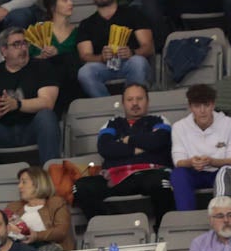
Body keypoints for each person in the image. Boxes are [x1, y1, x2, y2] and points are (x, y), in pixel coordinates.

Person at [0, 28, 61, 180]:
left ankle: (53, 179)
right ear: (4, 50)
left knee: (46, 116)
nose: (23, 48)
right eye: (16, 44)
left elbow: (47, 103)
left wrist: (17, 104)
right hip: (2, 131)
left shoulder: (42, 67)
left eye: (24, 43)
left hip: (31, 128)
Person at [74, 82, 174, 222]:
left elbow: (158, 140)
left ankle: (162, 228)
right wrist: (137, 149)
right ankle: (105, 225)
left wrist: (127, 140)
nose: (135, 103)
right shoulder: (112, 124)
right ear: (123, 103)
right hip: (115, 176)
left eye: (139, 99)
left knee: (162, 182)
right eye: (130, 99)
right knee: (79, 187)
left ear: (147, 101)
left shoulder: (159, 120)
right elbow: (105, 148)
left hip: (149, 173)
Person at [75, 0, 155, 99]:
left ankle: (131, 101)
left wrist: (132, 52)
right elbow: (85, 56)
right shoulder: (86, 24)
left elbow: (148, 47)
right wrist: (101, 57)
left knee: (138, 62)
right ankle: (107, 105)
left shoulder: (134, 14)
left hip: (129, 62)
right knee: (85, 72)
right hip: (103, 66)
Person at [170, 85, 231, 212]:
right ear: (190, 107)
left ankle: (224, 214)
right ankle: (187, 217)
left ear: (213, 105)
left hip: (219, 171)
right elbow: (178, 161)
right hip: (193, 173)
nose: (202, 111)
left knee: (229, 172)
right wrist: (191, 162)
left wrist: (212, 161)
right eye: (197, 106)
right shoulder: (179, 127)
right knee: (178, 174)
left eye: (206, 105)